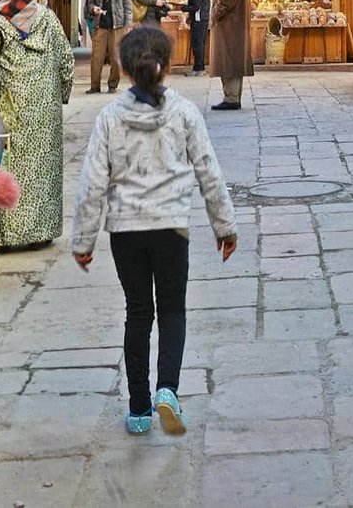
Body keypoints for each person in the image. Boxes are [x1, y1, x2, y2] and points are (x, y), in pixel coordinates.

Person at [72, 27, 237, 437]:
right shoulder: (183, 113)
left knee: (138, 313)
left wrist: (83, 240)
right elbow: (208, 172)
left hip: (126, 231)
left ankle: (140, 409)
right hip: (170, 228)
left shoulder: (110, 117)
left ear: (125, 70)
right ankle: (168, 389)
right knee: (173, 310)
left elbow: (93, 182)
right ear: (167, 66)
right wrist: (225, 226)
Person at [0, 0, 75, 249]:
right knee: (43, 170)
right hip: (46, 111)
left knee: (13, 166)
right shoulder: (48, 17)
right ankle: (41, 232)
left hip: (10, 110)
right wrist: (59, 97)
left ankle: (10, 236)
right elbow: (66, 62)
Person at [210, 0, 253, 112]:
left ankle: (231, 98)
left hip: (229, 24)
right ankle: (233, 96)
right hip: (234, 23)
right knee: (233, 60)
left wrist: (215, 13)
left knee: (228, 60)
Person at [85, 0, 135, 93]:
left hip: (117, 26)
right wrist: (93, 8)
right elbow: (89, 4)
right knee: (96, 57)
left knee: (116, 56)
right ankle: (94, 86)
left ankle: (112, 85)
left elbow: (128, 7)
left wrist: (128, 26)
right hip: (100, 25)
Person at [183, 0, 210, 75]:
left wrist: (183, 8)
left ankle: (198, 68)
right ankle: (199, 68)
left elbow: (196, 7)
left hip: (199, 19)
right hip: (199, 18)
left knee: (198, 43)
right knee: (198, 43)